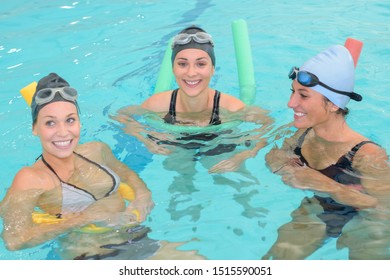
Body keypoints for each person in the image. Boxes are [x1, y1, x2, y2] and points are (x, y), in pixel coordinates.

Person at [113, 25, 273, 221]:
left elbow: (267, 124)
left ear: (212, 69)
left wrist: (244, 155)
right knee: (180, 181)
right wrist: (145, 139)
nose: (191, 73)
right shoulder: (159, 104)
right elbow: (121, 115)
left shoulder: (230, 107)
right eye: (182, 64)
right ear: (173, 69)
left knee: (242, 186)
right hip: (176, 142)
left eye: (200, 64)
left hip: (219, 141)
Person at [0, 73, 155, 258]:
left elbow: (128, 175)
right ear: (35, 128)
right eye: (50, 123)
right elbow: (14, 240)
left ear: (79, 123)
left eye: (70, 120)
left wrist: (143, 195)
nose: (63, 132)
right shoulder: (31, 178)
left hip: (133, 236)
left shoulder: (97, 150)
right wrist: (84, 218)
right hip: (89, 253)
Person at [262, 45, 390, 259]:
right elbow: (273, 156)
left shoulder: (367, 154)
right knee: (276, 261)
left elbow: (385, 212)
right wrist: (285, 165)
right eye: (292, 92)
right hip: (323, 207)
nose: (291, 103)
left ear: (332, 104)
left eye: (303, 95)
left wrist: (323, 184)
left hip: (368, 222)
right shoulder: (301, 133)